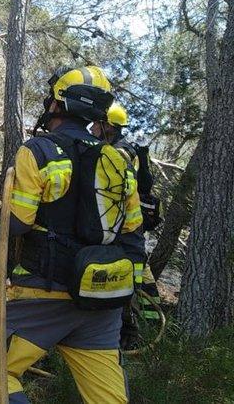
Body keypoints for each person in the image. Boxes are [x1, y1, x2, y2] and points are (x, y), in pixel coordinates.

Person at [0, 66, 145, 403]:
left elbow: (17, 224)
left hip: (44, 293)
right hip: (102, 301)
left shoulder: (38, 151)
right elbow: (133, 233)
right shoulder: (120, 163)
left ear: (57, 104)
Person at [90, 103, 163, 347]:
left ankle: (132, 337)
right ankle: (149, 332)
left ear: (108, 125)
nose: (92, 127)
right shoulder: (126, 150)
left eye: (96, 123)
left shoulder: (118, 153)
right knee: (143, 281)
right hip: (132, 233)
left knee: (128, 286)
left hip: (126, 233)